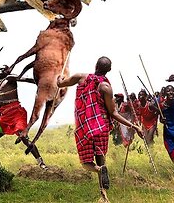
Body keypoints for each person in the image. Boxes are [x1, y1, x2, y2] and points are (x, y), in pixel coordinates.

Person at [57, 56, 143, 203]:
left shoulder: (80, 77)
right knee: (101, 159)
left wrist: (60, 77)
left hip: (85, 127)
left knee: (86, 163)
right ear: (108, 70)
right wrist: (134, 126)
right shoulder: (106, 87)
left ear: (95, 65)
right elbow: (113, 113)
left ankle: (98, 171)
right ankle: (104, 196)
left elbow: (60, 84)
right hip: (101, 127)